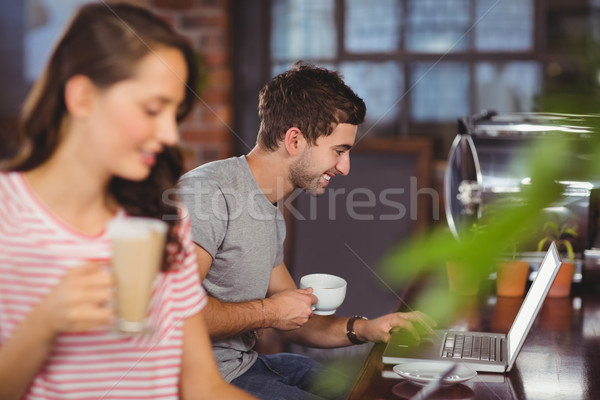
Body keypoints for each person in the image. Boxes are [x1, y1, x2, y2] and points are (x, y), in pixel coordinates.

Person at [0, 3, 257, 399]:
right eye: (153, 109)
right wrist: (41, 326)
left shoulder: (161, 219)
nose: (170, 135)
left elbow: (202, 386)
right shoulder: (7, 215)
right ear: (82, 97)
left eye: (176, 113)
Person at [178, 62, 436, 400]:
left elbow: (296, 315)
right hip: (208, 381)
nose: (344, 168)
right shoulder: (209, 192)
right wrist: (269, 312)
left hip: (248, 365)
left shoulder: (268, 207)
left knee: (381, 389)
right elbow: (178, 314)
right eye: (339, 151)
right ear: (295, 140)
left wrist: (367, 328)